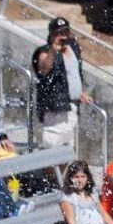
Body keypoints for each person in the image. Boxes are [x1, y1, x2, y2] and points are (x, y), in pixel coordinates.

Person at [31, 17, 93, 149]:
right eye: (59, 33)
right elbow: (43, 70)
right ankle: (48, 170)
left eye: (66, 31)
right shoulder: (44, 51)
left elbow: (73, 75)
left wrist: (80, 93)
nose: (63, 36)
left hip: (72, 108)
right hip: (55, 110)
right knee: (52, 150)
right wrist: (53, 50)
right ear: (51, 35)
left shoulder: (74, 48)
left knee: (69, 150)